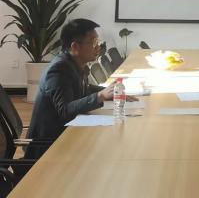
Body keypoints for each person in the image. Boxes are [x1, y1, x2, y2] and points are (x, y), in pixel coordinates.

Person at [25, 19, 133, 159]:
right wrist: (100, 96)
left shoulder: (75, 63)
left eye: (98, 41)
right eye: (93, 42)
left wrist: (110, 92)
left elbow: (83, 88)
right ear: (75, 46)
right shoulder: (59, 70)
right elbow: (65, 110)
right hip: (49, 148)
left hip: (68, 136)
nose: (98, 46)